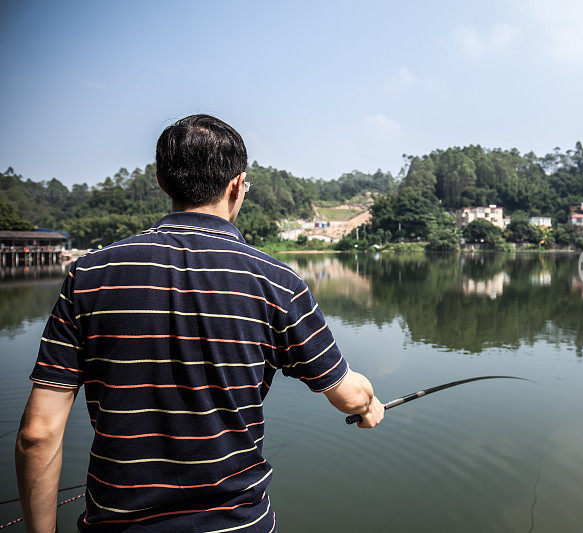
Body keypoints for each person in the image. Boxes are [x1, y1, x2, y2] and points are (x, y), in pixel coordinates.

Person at [15, 114, 384, 532]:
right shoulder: (275, 283)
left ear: (162, 181)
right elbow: (349, 395)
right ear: (236, 185)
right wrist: (370, 405)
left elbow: (38, 434)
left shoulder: (90, 275)